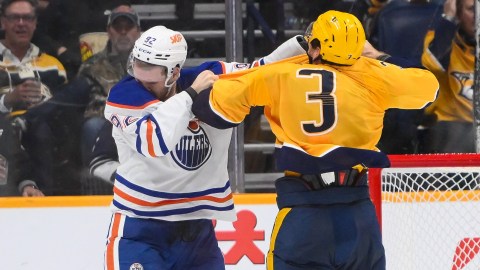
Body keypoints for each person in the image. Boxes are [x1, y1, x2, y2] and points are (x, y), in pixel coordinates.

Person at [192, 10, 439, 269]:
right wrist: (378, 57)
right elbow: (429, 87)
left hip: (304, 213)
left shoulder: (281, 74)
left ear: (316, 47)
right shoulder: (376, 75)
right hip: (358, 215)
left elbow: (211, 106)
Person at [102, 24, 308, 269]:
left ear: (174, 72)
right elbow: (154, 141)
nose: (142, 78)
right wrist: (191, 95)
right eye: (139, 65)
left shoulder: (208, 76)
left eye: (151, 70)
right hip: (140, 226)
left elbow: (263, 69)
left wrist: (304, 44)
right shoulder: (124, 94)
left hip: (197, 230)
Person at [0, 0, 68, 195]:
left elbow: (64, 109)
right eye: (14, 18)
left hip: (46, 131)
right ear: (3, 22)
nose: (21, 23)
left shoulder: (53, 64)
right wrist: (7, 100)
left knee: (41, 128)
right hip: (3, 130)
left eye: (28, 18)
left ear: (35, 23)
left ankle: (43, 200)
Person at [77, 3, 141, 168]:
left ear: (138, 32)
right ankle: (93, 183)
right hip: (103, 119)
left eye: (129, 27)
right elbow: (80, 104)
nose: (123, 32)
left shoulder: (150, 63)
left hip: (141, 118)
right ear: (109, 31)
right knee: (92, 126)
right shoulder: (91, 65)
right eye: (117, 27)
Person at [420, 0, 475, 153]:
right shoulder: (443, 39)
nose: (478, 16)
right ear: (458, 13)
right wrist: (449, 18)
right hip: (448, 125)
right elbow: (432, 64)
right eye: (471, 9)